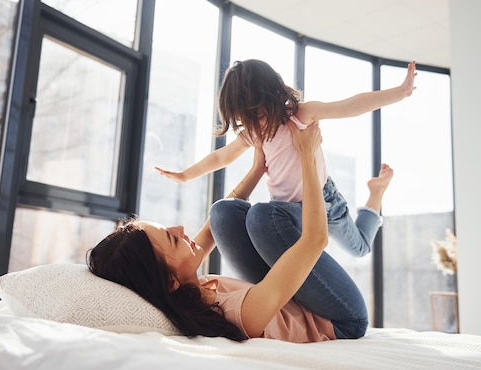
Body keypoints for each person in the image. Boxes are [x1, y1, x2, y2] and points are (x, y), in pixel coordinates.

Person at [87, 123, 394, 343]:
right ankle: (375, 201)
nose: (181, 230)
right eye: (171, 237)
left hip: (293, 297)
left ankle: (372, 202)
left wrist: (258, 168)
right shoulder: (236, 313)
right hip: (340, 318)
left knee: (223, 212)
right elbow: (316, 240)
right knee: (264, 216)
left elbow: (217, 220)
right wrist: (306, 157)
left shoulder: (193, 287)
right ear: (169, 280)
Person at [155, 59, 414, 258]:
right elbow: (221, 156)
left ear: (274, 94)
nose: (255, 120)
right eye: (246, 117)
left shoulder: (301, 114)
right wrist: (185, 175)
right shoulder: (254, 133)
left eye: (256, 111)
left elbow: (352, 105)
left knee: (359, 249)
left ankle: (376, 195)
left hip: (324, 202)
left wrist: (400, 92)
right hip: (285, 210)